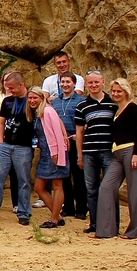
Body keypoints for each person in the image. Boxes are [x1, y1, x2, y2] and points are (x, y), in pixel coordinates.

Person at [0, 72, 34, 226]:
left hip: (24, 146)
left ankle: (23, 212)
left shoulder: (31, 101)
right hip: (6, 145)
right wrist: (1, 141)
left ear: (21, 85)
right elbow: (0, 122)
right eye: (7, 88)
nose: (10, 91)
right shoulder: (7, 101)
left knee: (23, 180)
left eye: (12, 88)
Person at [96, 79, 137, 240]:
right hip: (117, 153)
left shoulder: (132, 108)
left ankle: (134, 231)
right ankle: (106, 230)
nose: (116, 94)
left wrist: (136, 154)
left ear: (126, 92)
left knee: (133, 191)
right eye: (114, 91)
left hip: (131, 151)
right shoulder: (117, 110)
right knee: (106, 187)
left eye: (119, 91)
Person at [74, 71, 119, 235]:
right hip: (89, 152)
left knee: (110, 189)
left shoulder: (113, 103)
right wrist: (80, 155)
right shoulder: (82, 106)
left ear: (103, 82)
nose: (93, 85)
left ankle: (113, 224)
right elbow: (79, 133)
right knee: (91, 190)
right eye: (90, 83)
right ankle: (94, 223)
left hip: (109, 152)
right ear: (86, 84)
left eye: (96, 82)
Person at [27, 86, 68, 228]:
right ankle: (58, 216)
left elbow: (56, 131)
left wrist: (57, 153)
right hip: (45, 153)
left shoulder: (48, 111)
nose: (32, 100)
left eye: (35, 98)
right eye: (30, 98)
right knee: (39, 187)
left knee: (57, 185)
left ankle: (54, 219)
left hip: (54, 152)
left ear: (41, 98)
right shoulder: (37, 113)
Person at [52, 72, 87, 220]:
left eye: (68, 82)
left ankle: (81, 208)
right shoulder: (54, 102)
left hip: (76, 141)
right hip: (60, 143)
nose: (65, 85)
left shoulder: (82, 101)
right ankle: (68, 207)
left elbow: (86, 122)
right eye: (63, 82)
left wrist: (78, 136)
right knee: (64, 176)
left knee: (78, 176)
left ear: (74, 84)